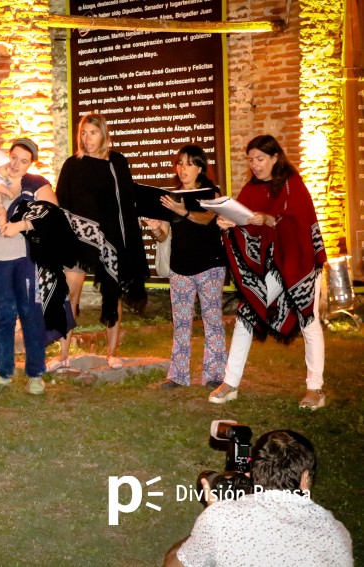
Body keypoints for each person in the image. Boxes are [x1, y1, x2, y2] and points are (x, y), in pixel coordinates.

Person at [209, 135, 327, 409]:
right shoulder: (250, 189)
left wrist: (270, 219)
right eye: (250, 160)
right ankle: (231, 382)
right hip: (270, 264)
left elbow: (299, 222)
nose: (255, 165)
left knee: (309, 319)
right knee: (245, 315)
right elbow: (246, 225)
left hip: (299, 261)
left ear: (275, 158)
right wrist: (230, 224)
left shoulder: (292, 184)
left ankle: (315, 388)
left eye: (260, 159)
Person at [165, 430, 353, 567]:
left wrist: (211, 514)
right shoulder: (337, 533)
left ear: (251, 473)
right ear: (305, 477)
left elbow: (172, 565)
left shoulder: (220, 519)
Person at [53, 113, 148, 370]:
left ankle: (111, 353)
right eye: (83, 133)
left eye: (92, 132)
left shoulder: (116, 162)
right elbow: (62, 203)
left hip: (109, 238)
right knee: (70, 295)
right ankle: (62, 355)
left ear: (104, 134)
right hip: (78, 238)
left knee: (112, 293)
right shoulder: (72, 164)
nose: (87, 138)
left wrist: (125, 241)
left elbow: (125, 203)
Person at [0, 138, 58, 395]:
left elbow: (52, 215)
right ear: (8, 156)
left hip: (25, 258)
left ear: (31, 163)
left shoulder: (36, 184)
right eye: (14, 157)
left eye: (24, 160)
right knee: (3, 317)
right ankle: (4, 373)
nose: (17, 164)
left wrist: (21, 225)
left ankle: (35, 374)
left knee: (31, 315)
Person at [144, 146, 227, 389]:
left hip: (210, 266)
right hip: (180, 268)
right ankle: (178, 376)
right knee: (180, 323)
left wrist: (184, 211)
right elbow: (163, 237)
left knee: (212, 321)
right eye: (179, 163)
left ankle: (214, 375)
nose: (182, 169)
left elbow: (206, 219)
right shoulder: (172, 198)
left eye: (189, 164)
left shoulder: (212, 193)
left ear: (200, 167)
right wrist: (154, 227)